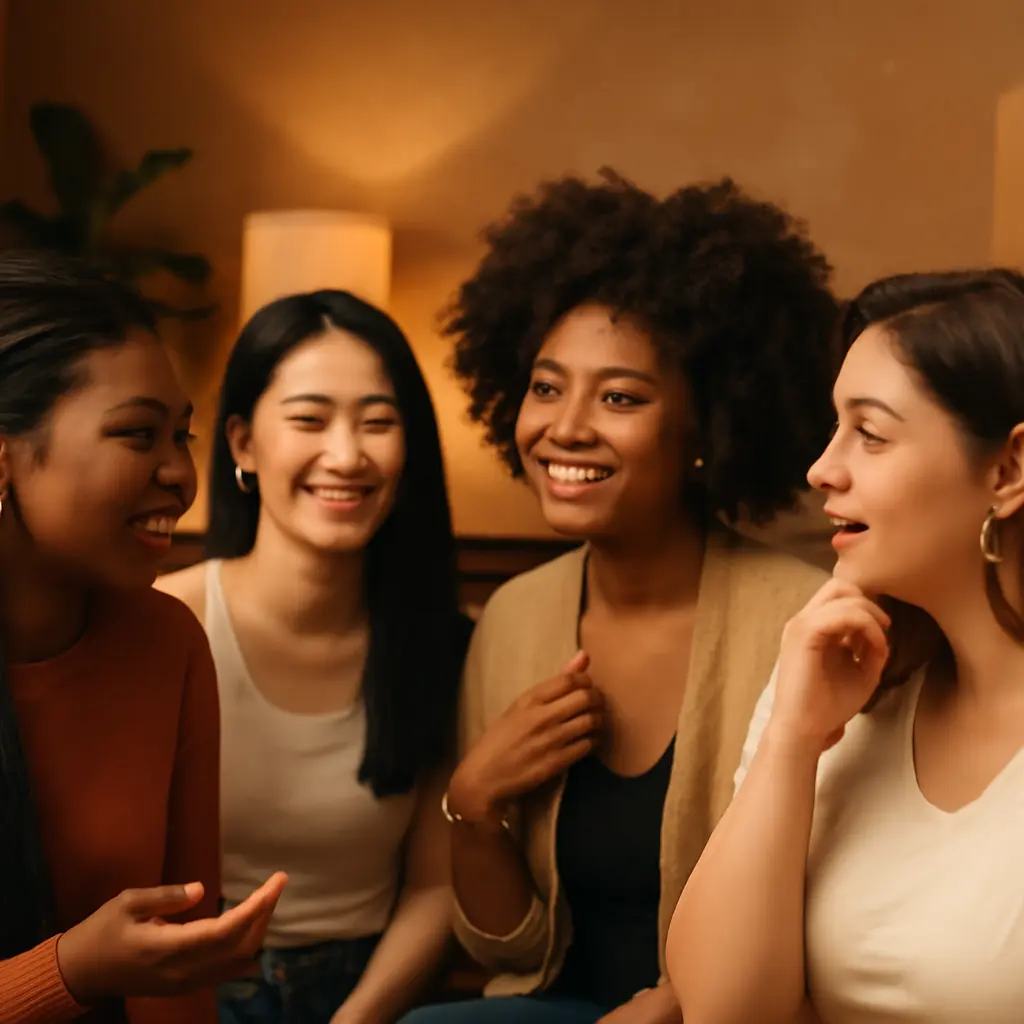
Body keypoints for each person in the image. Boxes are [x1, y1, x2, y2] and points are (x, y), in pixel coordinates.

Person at [398, 171, 839, 1024]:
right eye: (546, 386)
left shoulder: (800, 621)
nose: (564, 428)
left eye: (621, 398)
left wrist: (677, 1003)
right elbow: (508, 951)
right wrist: (475, 805)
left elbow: (825, 911)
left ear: (708, 427)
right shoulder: (516, 617)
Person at [667, 268, 1024, 1024]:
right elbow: (724, 1011)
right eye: (835, 428)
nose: (822, 469)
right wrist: (793, 743)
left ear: (1009, 469)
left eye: (869, 433)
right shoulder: (835, 681)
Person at [157, 290, 470, 1024]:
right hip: (185, 989)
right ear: (242, 443)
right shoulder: (168, 623)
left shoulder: (447, 644)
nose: (346, 455)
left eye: (378, 423)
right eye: (308, 419)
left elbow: (434, 889)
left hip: (367, 994)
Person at [0, 251, 286, 1024]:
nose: (181, 476)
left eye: (182, 437)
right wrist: (67, 972)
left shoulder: (166, 643)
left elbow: (180, 965)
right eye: (137, 436)